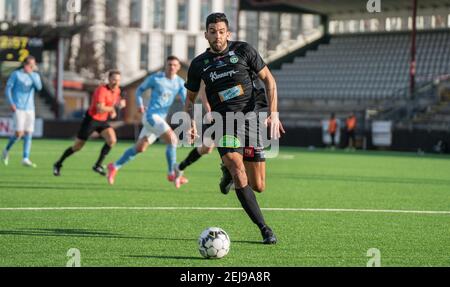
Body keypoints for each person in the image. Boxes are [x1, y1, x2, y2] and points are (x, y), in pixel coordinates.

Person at [182, 13, 284, 244]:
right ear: (205, 34)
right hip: (222, 123)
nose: (217, 36)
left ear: (228, 33)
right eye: (212, 31)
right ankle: (264, 228)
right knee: (237, 166)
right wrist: (190, 123)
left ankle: (227, 173)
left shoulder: (244, 51)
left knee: (258, 185)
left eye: (221, 31)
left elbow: (269, 80)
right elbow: (189, 100)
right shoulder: (198, 65)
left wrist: (273, 114)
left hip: (251, 120)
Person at [106, 56, 188, 188]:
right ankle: (172, 173)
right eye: (169, 64)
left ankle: (114, 166)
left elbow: (186, 101)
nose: (172, 67)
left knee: (140, 148)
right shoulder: (156, 78)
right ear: (165, 66)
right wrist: (139, 104)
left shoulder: (179, 82)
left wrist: (190, 115)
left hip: (160, 119)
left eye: (174, 65)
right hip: (151, 116)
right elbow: (139, 90)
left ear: (178, 67)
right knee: (173, 140)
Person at [53, 70, 125, 176]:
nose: (116, 82)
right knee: (77, 147)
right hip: (91, 120)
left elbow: (114, 101)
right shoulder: (101, 90)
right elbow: (100, 108)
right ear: (109, 79)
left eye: (118, 80)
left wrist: (116, 106)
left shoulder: (117, 90)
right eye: (114, 79)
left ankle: (97, 165)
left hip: (102, 121)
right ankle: (58, 164)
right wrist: (114, 108)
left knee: (112, 140)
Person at [2, 56, 42, 167]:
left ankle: (25, 158)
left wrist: (31, 74)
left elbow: (39, 87)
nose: (33, 66)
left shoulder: (35, 75)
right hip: (18, 107)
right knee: (19, 133)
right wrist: (11, 103)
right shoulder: (16, 74)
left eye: (34, 64)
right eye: (31, 64)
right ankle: (6, 150)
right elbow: (8, 88)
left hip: (30, 108)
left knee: (29, 133)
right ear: (25, 64)